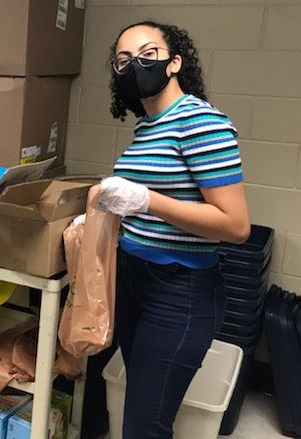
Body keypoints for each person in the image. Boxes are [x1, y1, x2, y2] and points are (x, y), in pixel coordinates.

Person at [97, 21, 250, 438]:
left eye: (147, 55)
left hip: (179, 291)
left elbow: (236, 227)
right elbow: (138, 207)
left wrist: (148, 201)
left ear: (174, 62)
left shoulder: (200, 122)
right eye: (123, 61)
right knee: (138, 411)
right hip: (134, 280)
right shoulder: (147, 128)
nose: (134, 67)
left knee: (144, 427)